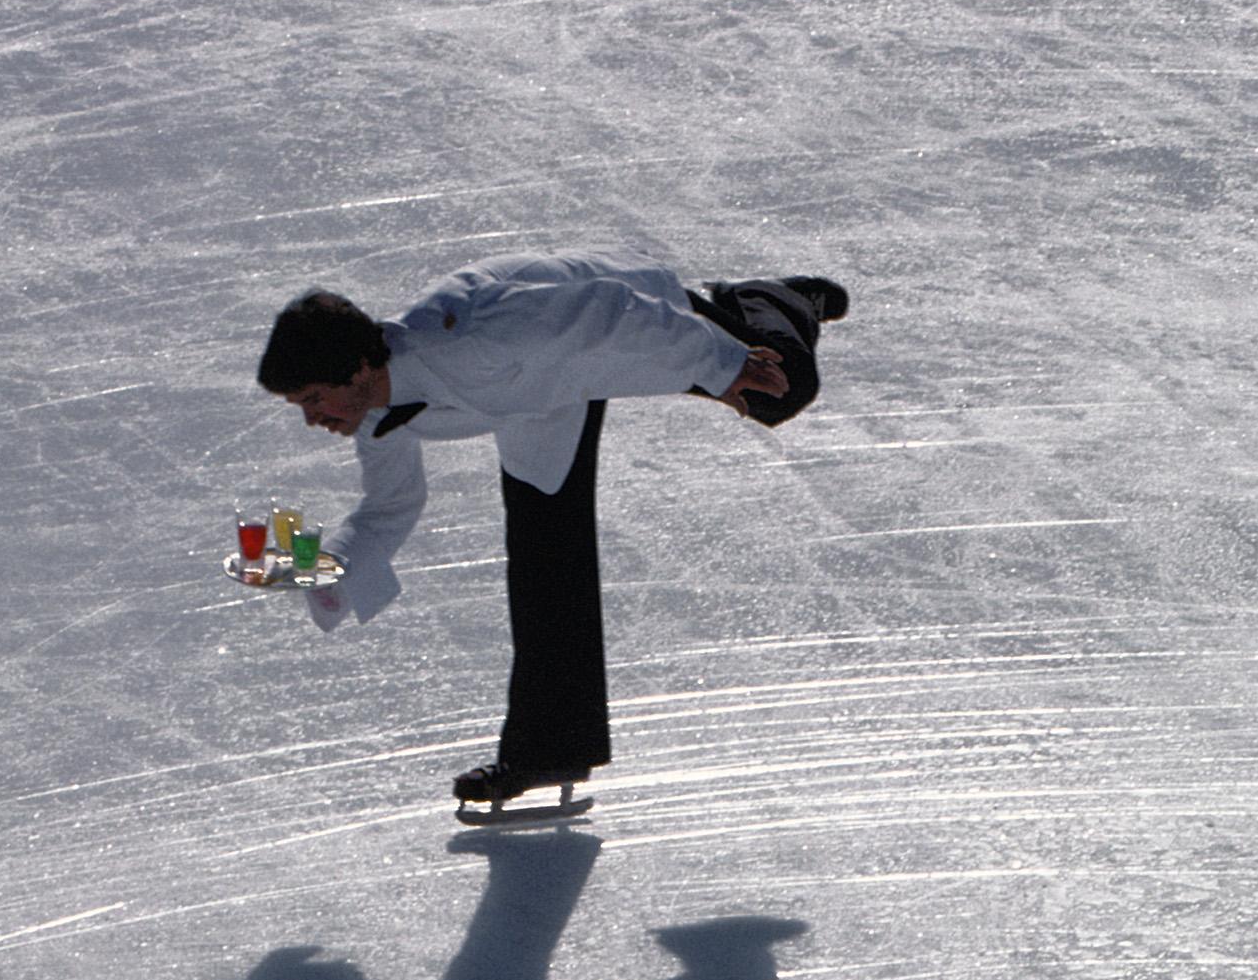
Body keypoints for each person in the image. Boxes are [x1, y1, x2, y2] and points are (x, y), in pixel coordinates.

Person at [257, 254, 846, 815]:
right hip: (541, 409)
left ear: (359, 368)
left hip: (632, 323)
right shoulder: (376, 418)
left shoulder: (474, 334)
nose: (313, 417)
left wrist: (721, 362)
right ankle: (546, 754)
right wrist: (332, 569)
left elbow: (608, 307)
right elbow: (389, 506)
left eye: (314, 398)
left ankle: (766, 298)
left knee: (781, 387)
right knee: (547, 565)